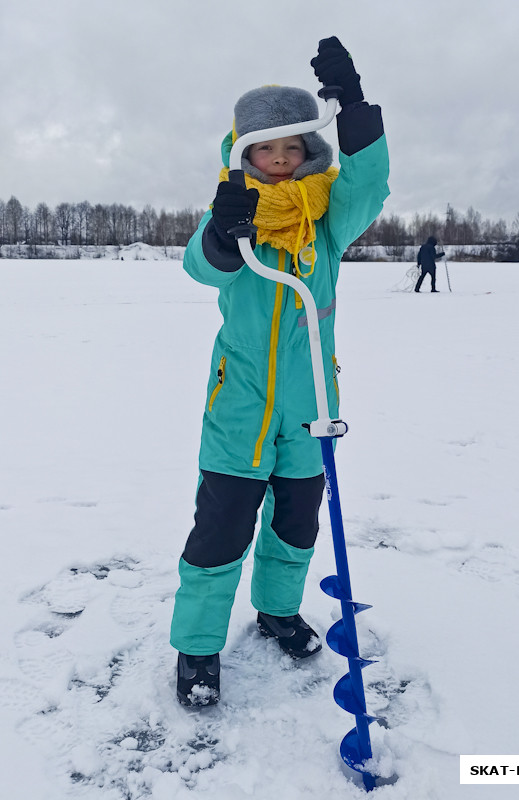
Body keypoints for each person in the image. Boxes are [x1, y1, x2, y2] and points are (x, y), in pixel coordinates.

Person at [170, 36, 390, 708]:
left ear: (308, 154)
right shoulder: (234, 218)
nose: (281, 160)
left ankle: (276, 610)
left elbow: (368, 184)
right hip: (240, 409)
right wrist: (221, 232)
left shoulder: (327, 221)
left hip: (310, 408)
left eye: (293, 148)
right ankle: (199, 649)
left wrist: (353, 107)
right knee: (221, 534)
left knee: (296, 526)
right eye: (267, 149)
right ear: (245, 154)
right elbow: (200, 265)